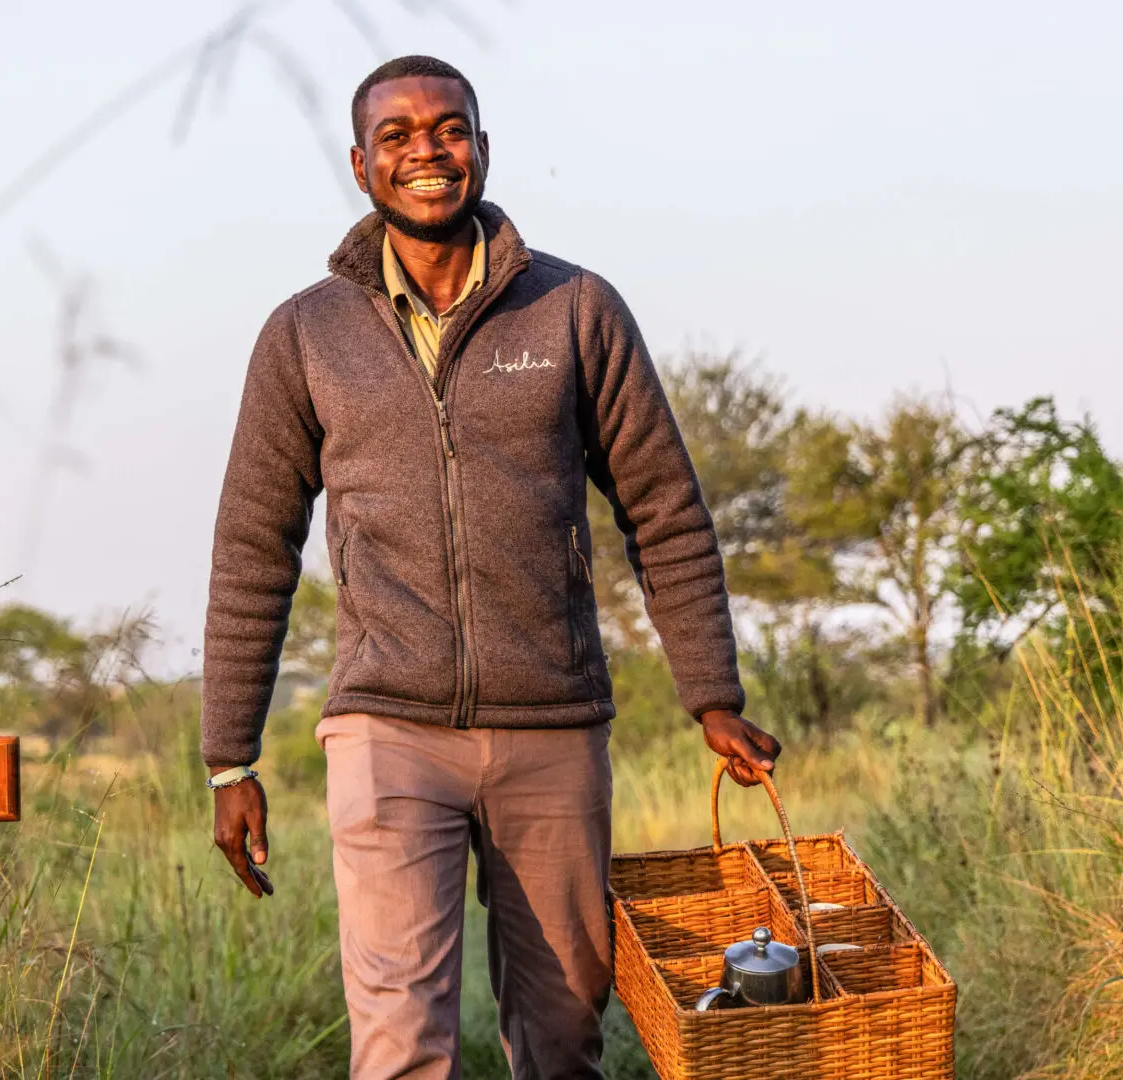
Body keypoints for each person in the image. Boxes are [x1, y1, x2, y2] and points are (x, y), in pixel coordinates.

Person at [200, 54, 784, 1079]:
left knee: (562, 1040)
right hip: (386, 729)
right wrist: (229, 758)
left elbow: (663, 506)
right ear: (359, 163)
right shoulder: (305, 335)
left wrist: (712, 693)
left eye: (449, 129)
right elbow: (254, 547)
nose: (427, 151)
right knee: (400, 1044)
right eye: (398, 136)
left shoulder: (574, 309)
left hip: (551, 727)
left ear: (482, 147)